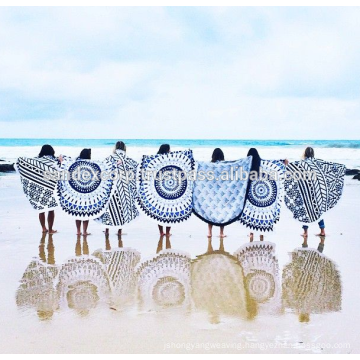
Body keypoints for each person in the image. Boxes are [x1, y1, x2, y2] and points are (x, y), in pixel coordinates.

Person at [247, 148, 288, 242]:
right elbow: (272, 164)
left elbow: (235, 165)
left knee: (251, 212)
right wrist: (282, 162)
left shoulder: (247, 164)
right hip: (263, 194)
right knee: (261, 212)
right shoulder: (262, 163)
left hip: (251, 194)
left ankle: (251, 234)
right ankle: (261, 234)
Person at [301, 147, 326, 238]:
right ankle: (322, 231)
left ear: (305, 153)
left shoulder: (302, 163)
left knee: (305, 212)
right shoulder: (317, 163)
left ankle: (305, 232)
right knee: (318, 211)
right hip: (317, 191)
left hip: (306, 191)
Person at [104, 141, 127, 237]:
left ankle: (107, 230)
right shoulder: (126, 158)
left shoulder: (110, 158)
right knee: (121, 208)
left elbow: (104, 169)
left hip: (111, 187)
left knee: (109, 208)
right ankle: (119, 232)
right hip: (122, 187)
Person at [38, 145, 58, 234]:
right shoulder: (54, 161)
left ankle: (43, 228)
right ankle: (50, 229)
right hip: (51, 187)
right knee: (51, 209)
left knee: (41, 209)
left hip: (39, 187)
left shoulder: (37, 160)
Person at [207, 148, 226, 238]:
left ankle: (209, 232)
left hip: (212, 192)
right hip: (222, 192)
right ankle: (221, 233)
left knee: (211, 212)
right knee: (222, 212)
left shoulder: (209, 165)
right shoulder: (224, 165)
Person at [75, 148, 92, 236]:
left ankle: (78, 231)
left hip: (76, 192)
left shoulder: (75, 164)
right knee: (86, 212)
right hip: (86, 192)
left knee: (77, 212)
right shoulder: (90, 165)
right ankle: (84, 232)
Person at [157, 144, 171, 237]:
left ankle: (161, 232)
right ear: (167, 150)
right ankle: (168, 232)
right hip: (169, 188)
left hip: (157, 189)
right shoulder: (170, 159)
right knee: (169, 212)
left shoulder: (156, 159)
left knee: (159, 212)